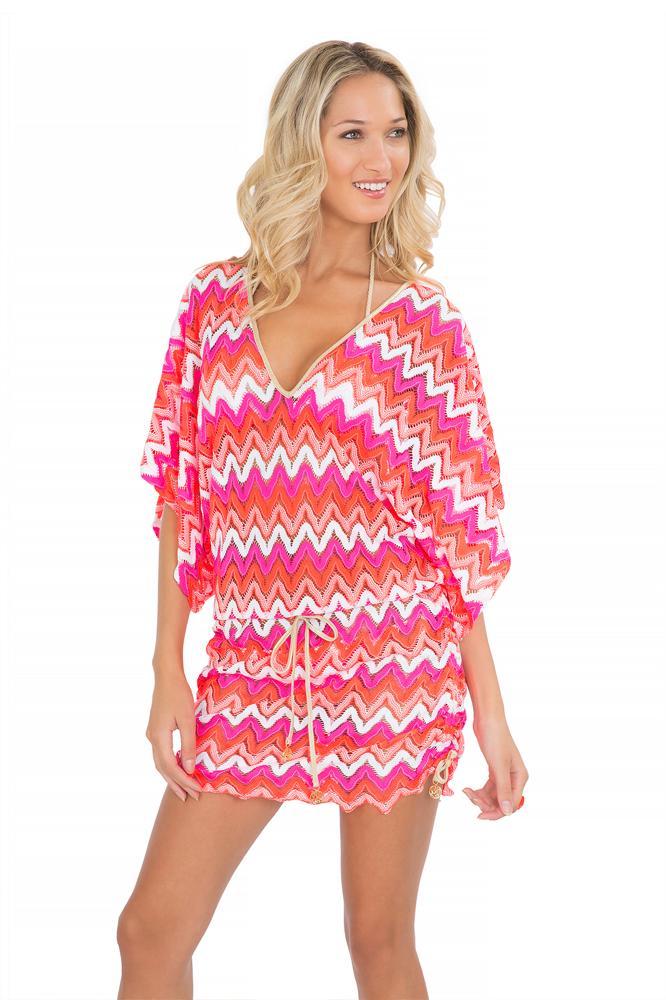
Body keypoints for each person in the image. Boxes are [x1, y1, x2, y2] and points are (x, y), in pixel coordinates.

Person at [117, 39, 528, 1000]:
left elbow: (453, 544)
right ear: (303, 142)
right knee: (150, 931)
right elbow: (182, 496)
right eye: (352, 134)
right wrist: (167, 666)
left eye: (396, 133)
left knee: (376, 939)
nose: (380, 158)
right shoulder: (216, 305)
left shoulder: (424, 330)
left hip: (393, 667)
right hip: (252, 663)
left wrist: (494, 718)